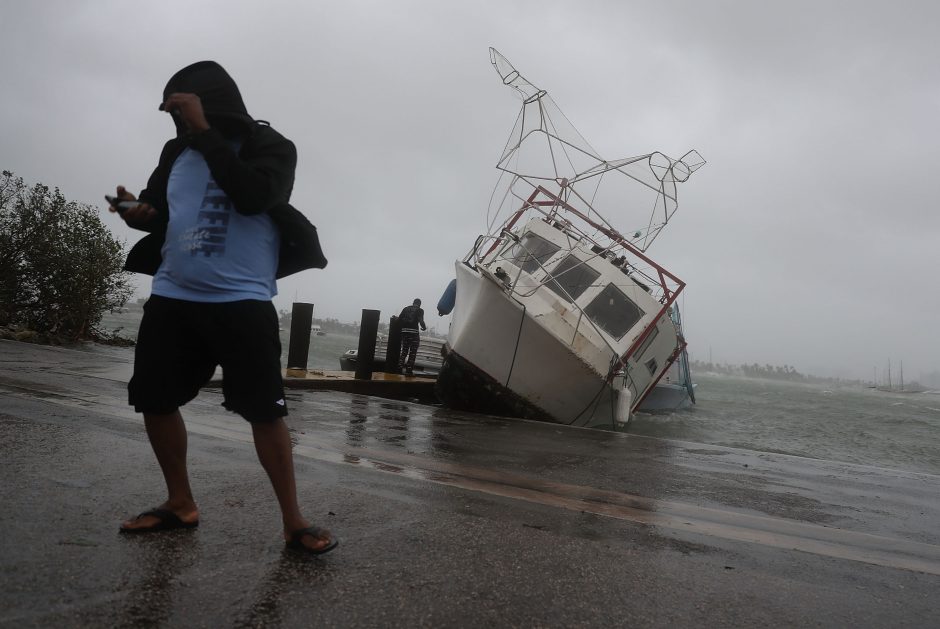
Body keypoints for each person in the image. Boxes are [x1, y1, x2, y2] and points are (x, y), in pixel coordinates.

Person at [110, 61, 335, 555]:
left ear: (211, 102)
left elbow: (254, 196)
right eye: (172, 112)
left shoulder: (269, 147)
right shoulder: (175, 151)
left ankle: (293, 521)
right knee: (154, 398)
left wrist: (206, 132)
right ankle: (180, 502)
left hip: (242, 300)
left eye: (182, 107)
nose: (178, 121)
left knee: (264, 411)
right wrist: (133, 211)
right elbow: (161, 214)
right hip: (173, 295)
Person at [397, 298, 427, 375]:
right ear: (419, 304)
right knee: (413, 352)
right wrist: (424, 327)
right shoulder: (420, 310)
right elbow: (420, 320)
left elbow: (399, 320)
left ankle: (399, 367)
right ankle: (409, 370)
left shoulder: (405, 309)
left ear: (413, 303)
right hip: (413, 333)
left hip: (404, 332)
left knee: (404, 351)